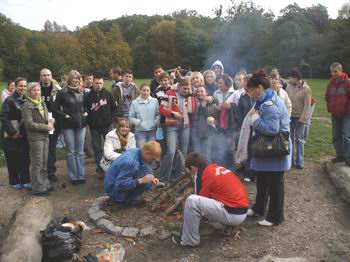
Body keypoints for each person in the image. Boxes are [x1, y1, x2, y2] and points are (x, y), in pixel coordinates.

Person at [172, 152, 248, 247]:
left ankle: (189, 240)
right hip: (242, 210)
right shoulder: (214, 167)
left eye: (190, 170)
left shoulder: (202, 174)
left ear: (193, 167)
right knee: (213, 196)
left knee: (192, 201)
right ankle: (228, 225)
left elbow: (199, 200)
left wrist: (186, 226)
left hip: (233, 214)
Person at [245, 70, 291, 226]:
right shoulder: (265, 99)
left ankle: (275, 217)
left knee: (275, 185)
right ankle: (258, 209)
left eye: (251, 89)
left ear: (259, 87)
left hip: (274, 150)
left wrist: (255, 120)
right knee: (263, 181)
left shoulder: (268, 104)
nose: (249, 93)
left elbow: (272, 129)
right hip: (268, 150)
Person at [158, 78, 196, 186]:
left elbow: (192, 110)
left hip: (185, 126)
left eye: (188, 89)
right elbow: (162, 109)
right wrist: (172, 113)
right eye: (184, 88)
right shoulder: (169, 93)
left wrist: (190, 95)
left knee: (183, 152)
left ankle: (179, 177)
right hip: (171, 126)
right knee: (171, 151)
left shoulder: (190, 96)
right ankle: (163, 179)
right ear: (179, 87)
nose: (186, 91)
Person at [53, 70, 88, 185]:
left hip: (81, 124)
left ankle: (81, 175)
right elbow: (55, 108)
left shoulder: (82, 92)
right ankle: (73, 176)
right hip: (68, 125)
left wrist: (86, 113)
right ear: (69, 79)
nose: (77, 80)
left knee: (80, 151)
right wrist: (65, 115)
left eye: (78, 78)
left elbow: (86, 106)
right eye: (74, 78)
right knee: (71, 152)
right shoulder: (62, 92)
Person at [104, 141, 161, 206]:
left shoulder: (137, 151)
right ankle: (125, 200)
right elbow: (119, 184)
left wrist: (150, 178)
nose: (153, 161)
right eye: (153, 159)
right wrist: (141, 180)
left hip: (112, 184)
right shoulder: (131, 163)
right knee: (144, 179)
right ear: (147, 153)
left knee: (147, 170)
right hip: (114, 191)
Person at [22, 82, 54, 195]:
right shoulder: (27, 105)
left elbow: (46, 117)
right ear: (29, 92)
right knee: (37, 163)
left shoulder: (42, 102)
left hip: (45, 136)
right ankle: (38, 188)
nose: (37, 92)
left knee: (45, 162)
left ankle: (45, 183)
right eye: (34, 90)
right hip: (35, 138)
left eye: (38, 90)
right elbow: (29, 124)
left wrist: (51, 121)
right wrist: (46, 127)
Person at [0, 77, 31, 190]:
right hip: (11, 135)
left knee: (24, 158)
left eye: (24, 86)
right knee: (12, 158)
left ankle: (26, 180)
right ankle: (14, 181)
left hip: (23, 134)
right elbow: (4, 117)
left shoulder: (27, 99)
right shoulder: (9, 100)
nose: (23, 88)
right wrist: (12, 132)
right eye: (20, 86)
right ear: (15, 87)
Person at [84, 75, 117, 178]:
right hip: (94, 127)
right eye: (96, 83)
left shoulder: (107, 94)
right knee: (97, 149)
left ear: (103, 83)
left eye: (100, 83)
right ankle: (101, 168)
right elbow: (86, 110)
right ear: (93, 83)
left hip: (107, 126)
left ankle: (112, 168)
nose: (98, 85)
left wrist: (110, 119)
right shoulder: (88, 96)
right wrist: (90, 121)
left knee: (110, 148)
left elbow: (114, 108)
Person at [325, 62, 350, 166]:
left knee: (346, 135)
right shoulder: (330, 84)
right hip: (335, 114)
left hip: (346, 114)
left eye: (335, 71)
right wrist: (330, 107)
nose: (333, 74)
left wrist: (347, 109)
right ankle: (339, 155)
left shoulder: (348, 83)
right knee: (336, 136)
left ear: (341, 70)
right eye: (332, 72)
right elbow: (327, 96)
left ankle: (348, 157)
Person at [39, 68, 62, 182]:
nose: (46, 77)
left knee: (51, 148)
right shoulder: (35, 88)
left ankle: (51, 172)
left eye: (48, 75)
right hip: (39, 122)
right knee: (40, 148)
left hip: (53, 122)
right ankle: (41, 172)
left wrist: (56, 120)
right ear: (40, 77)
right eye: (44, 75)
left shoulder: (57, 89)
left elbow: (61, 106)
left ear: (51, 76)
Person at [286, 68, 311, 169]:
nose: (289, 79)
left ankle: (300, 161)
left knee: (300, 140)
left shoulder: (306, 89)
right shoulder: (288, 87)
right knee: (290, 139)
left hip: (300, 118)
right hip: (290, 117)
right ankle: (291, 160)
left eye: (291, 77)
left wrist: (302, 119)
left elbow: (307, 106)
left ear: (296, 78)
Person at [212, 74, 239, 168]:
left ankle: (231, 169)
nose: (219, 85)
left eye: (221, 83)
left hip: (231, 124)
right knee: (220, 147)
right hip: (220, 123)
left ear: (227, 83)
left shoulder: (235, 93)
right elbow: (213, 107)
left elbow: (238, 109)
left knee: (230, 148)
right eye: (218, 83)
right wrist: (216, 107)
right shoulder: (216, 93)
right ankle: (222, 168)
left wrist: (230, 106)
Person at [190, 86, 217, 163]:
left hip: (207, 132)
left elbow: (217, 119)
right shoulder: (194, 102)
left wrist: (213, 120)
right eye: (198, 92)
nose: (200, 93)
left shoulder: (212, 104)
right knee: (197, 155)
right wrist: (203, 104)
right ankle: (199, 174)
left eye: (202, 91)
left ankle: (208, 173)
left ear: (206, 93)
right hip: (195, 131)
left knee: (207, 156)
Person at [129, 84, 160, 149]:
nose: (145, 92)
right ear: (140, 91)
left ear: (150, 91)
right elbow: (131, 117)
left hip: (152, 131)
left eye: (147, 90)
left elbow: (158, 114)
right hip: (140, 131)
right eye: (144, 90)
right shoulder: (134, 103)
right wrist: (139, 123)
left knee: (152, 149)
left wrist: (155, 122)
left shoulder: (155, 101)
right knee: (142, 149)